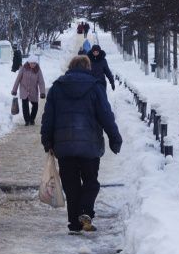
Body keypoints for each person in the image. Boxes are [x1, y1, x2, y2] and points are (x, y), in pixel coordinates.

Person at [40, 55, 122, 234]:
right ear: (88, 67)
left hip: (64, 146)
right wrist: (115, 138)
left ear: (70, 67)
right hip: (90, 146)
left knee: (71, 184)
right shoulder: (95, 87)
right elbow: (106, 115)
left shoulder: (57, 87)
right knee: (91, 181)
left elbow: (48, 117)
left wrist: (47, 140)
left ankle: (74, 223)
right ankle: (85, 212)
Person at [11, 55, 46, 126]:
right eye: (31, 63)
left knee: (35, 105)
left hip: (33, 90)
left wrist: (42, 92)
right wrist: (14, 90)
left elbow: (41, 82)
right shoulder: (23, 68)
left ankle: (32, 119)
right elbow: (18, 79)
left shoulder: (38, 70)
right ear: (29, 62)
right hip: (24, 89)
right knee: (25, 105)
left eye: (34, 63)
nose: (33, 65)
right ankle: (27, 120)